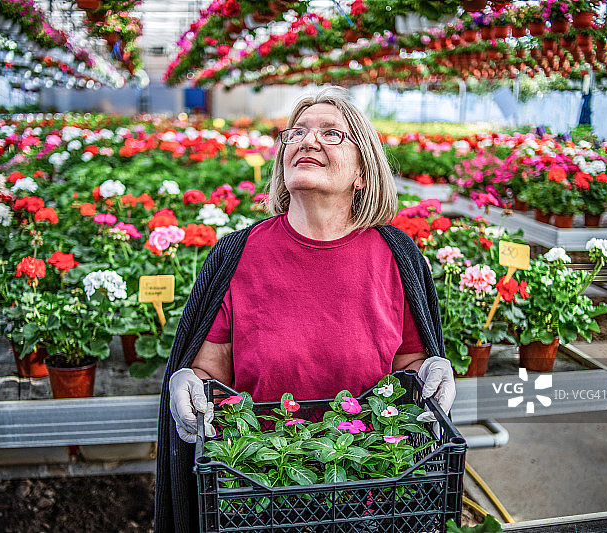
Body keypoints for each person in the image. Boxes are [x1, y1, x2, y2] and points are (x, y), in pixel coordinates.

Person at [154, 86, 456, 533]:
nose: (307, 141)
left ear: (363, 173)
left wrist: (431, 371)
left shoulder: (397, 256)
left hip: (367, 492)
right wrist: (187, 384)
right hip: (256, 493)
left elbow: (408, 362)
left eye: (332, 134)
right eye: (296, 133)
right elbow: (209, 370)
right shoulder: (238, 255)